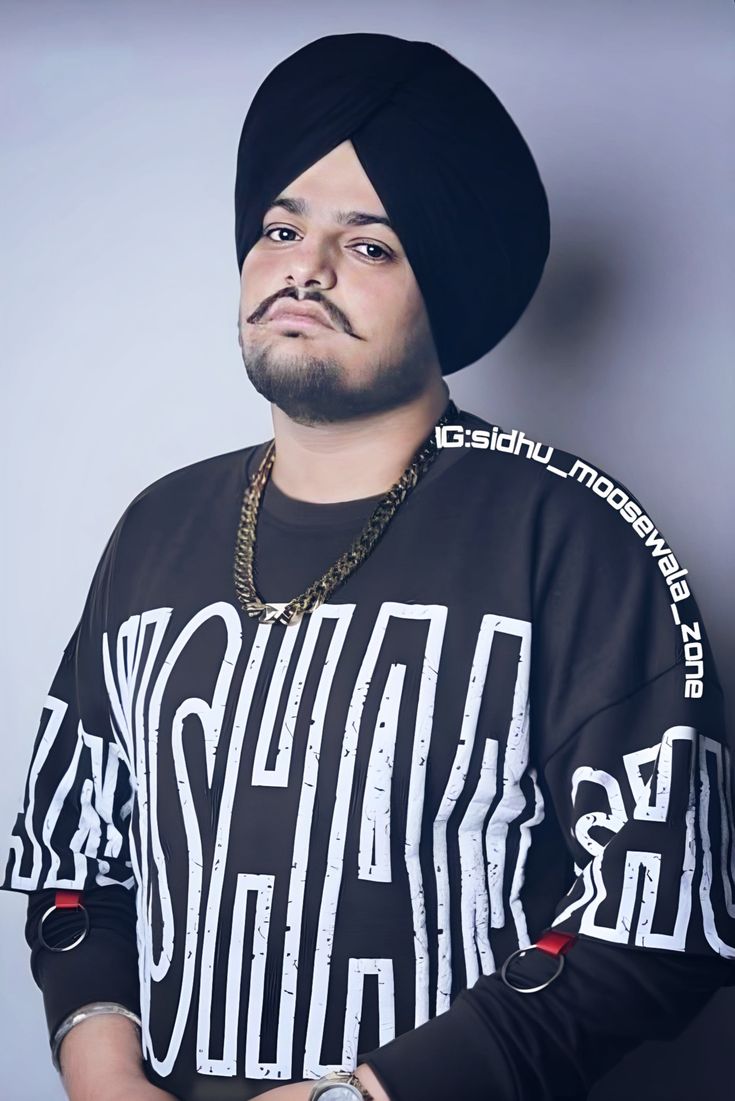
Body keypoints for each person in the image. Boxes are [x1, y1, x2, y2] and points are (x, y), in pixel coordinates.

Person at [2, 31, 734, 1101]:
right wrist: (104, 1072)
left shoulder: (578, 535)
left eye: (372, 244)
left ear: (447, 286)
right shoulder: (155, 527)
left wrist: (364, 1096)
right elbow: (75, 857)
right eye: (281, 227)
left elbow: (662, 920)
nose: (304, 264)